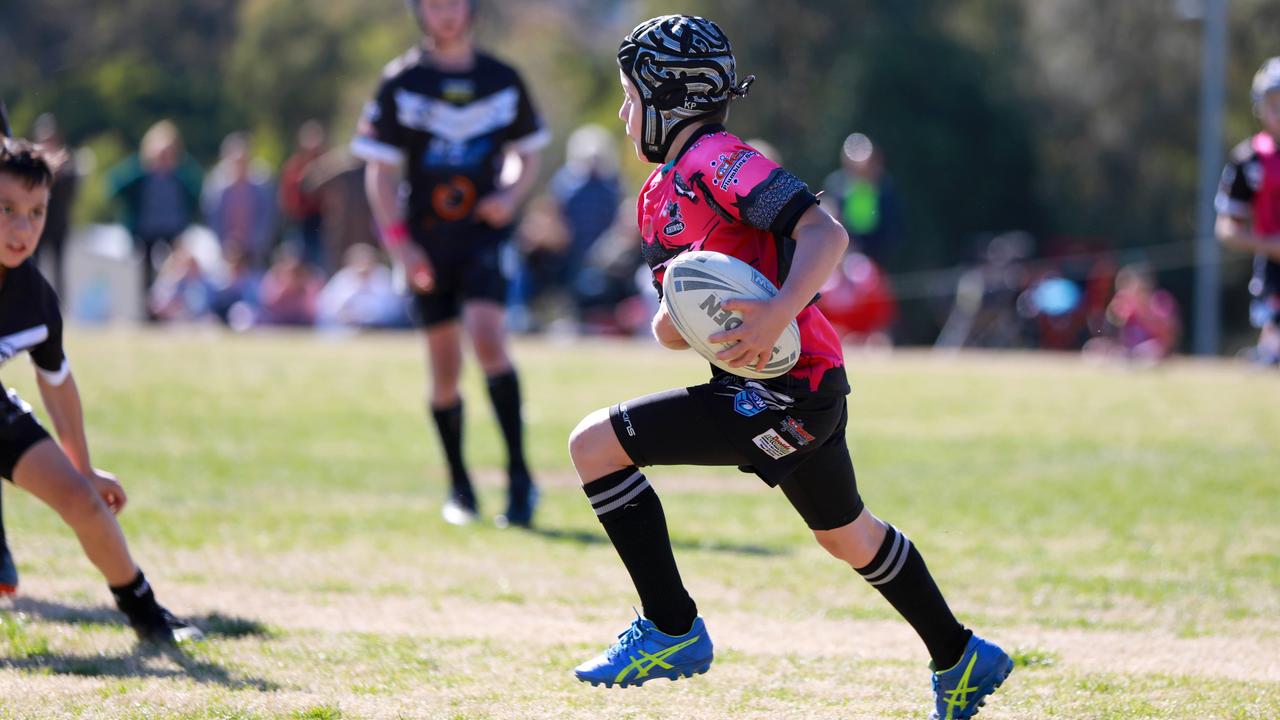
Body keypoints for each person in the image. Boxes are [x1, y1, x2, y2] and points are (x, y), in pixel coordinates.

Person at [566, 16, 1012, 720]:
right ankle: (961, 656)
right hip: (777, 388)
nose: (624, 114)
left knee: (594, 445)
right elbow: (676, 324)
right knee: (848, 535)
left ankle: (672, 627)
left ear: (670, 97)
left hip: (784, 391)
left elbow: (823, 233)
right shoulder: (657, 196)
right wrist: (682, 313)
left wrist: (772, 314)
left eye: (629, 97)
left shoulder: (720, 159)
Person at [352, 0, 550, 528]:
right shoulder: (400, 81)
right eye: (434, 4)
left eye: (455, 3)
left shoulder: (501, 78)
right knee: (444, 370)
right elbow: (380, 174)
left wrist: (509, 195)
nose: (446, 13)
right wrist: (401, 246)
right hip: (426, 243)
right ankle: (460, 486)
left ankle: (520, 479)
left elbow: (526, 153)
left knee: (488, 337)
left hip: (482, 238)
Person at [0, 138, 202, 643]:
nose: (22, 228)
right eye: (5, 209)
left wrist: (83, 467)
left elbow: (58, 383)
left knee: (84, 502)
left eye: (36, 212)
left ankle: (147, 614)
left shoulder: (34, 299)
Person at [1216, 57, 1280, 367]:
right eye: (1274, 103)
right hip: (1272, 274)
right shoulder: (1247, 160)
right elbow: (1226, 228)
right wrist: (1271, 246)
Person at [106, 120, 203, 321]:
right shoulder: (141, 173)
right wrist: (141, 166)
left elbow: (197, 189)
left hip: (173, 228)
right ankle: (148, 313)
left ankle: (177, 310)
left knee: (176, 271)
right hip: (146, 229)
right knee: (146, 274)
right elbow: (115, 185)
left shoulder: (180, 175)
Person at [822, 132, 904, 269]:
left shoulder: (883, 188)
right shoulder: (835, 186)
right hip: (843, 258)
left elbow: (892, 229)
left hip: (875, 259)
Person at [203, 132, 277, 271]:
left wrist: (256, 242)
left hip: (254, 248)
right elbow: (212, 219)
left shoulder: (262, 187)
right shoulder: (217, 189)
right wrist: (224, 243)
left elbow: (266, 217)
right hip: (226, 248)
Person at [32, 113, 78, 298]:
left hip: (58, 222)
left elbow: (71, 190)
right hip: (35, 222)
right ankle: (33, 299)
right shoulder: (32, 162)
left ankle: (59, 303)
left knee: (59, 268)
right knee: (34, 265)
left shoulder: (66, 162)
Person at [279, 120, 329, 270]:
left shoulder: (329, 166)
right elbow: (287, 199)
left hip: (322, 223)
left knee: (320, 265)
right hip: (299, 223)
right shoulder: (293, 167)